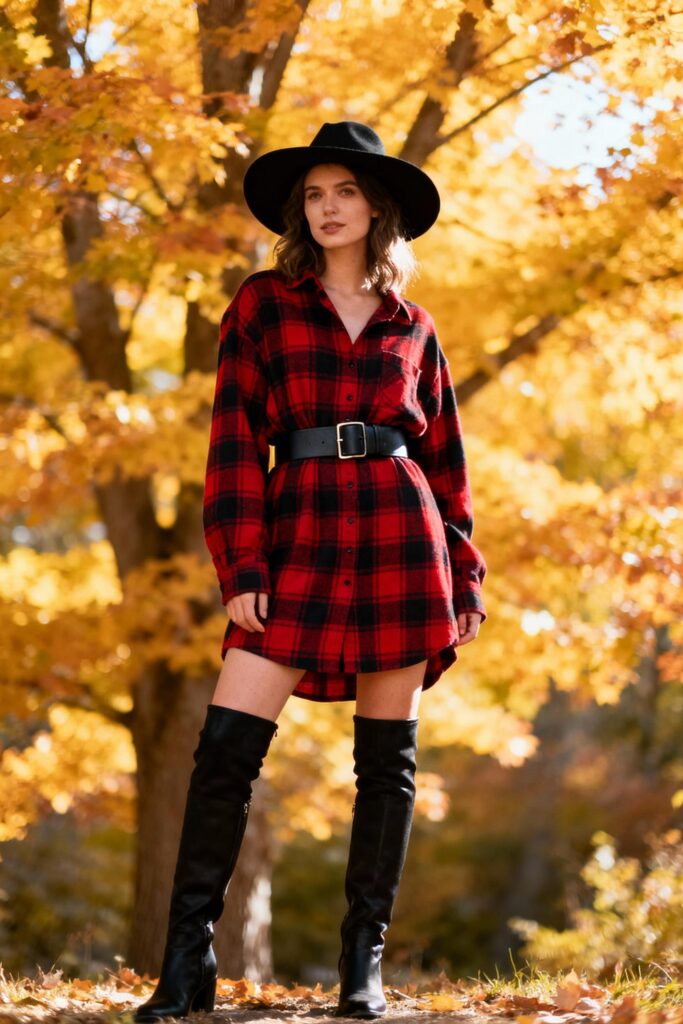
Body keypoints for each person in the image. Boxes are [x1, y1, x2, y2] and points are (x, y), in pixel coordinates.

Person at [134, 121, 487, 1023]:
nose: (328, 208)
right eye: (315, 195)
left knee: (387, 766)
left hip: (400, 540)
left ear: (378, 209)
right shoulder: (263, 303)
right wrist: (239, 561)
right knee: (224, 753)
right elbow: (230, 444)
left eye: (345, 193)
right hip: (293, 535)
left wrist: (466, 573)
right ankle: (186, 962)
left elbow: (444, 461)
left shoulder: (417, 327)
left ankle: (360, 967)